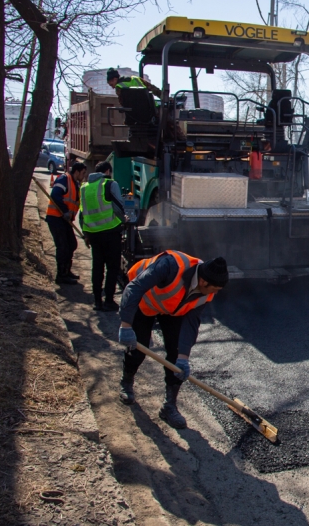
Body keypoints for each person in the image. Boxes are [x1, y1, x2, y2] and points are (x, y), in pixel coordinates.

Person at [117, 252, 228, 429]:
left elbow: (191, 323)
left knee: (176, 355)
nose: (215, 293)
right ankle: (127, 381)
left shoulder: (205, 293)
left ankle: (169, 406)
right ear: (203, 282)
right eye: (215, 289)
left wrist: (183, 358)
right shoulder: (170, 266)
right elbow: (134, 287)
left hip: (172, 310)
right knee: (138, 349)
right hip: (143, 302)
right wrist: (125, 325)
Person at [80, 161, 124, 312]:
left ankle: (97, 301)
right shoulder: (109, 184)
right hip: (111, 232)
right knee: (112, 268)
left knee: (97, 267)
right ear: (107, 171)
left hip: (93, 234)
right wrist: (124, 220)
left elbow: (82, 213)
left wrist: (85, 233)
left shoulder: (84, 187)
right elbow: (119, 207)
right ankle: (109, 301)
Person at [46, 162, 87, 284]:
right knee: (63, 247)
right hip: (56, 218)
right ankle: (61, 275)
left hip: (65, 220)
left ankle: (67, 270)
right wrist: (65, 211)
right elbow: (55, 195)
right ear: (77, 172)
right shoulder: (64, 179)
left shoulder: (75, 184)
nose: (84, 176)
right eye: (83, 173)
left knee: (72, 244)